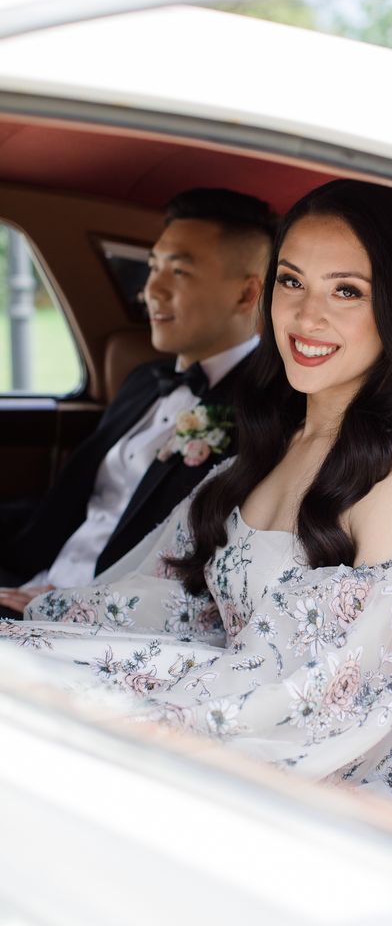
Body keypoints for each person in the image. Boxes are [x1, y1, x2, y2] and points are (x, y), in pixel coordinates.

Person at [0, 180, 392, 812]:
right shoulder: (283, 434)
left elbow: (334, 712)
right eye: (292, 281)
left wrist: (151, 726)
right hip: (229, 693)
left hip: (327, 758)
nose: (306, 317)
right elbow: (185, 594)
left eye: (347, 292)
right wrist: (57, 611)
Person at [0, 188, 276, 615]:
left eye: (179, 272)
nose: (152, 290)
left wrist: (65, 606)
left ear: (245, 295)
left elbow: (210, 572)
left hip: (104, 621)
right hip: (26, 577)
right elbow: (69, 506)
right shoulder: (143, 382)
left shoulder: (266, 414)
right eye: (153, 267)